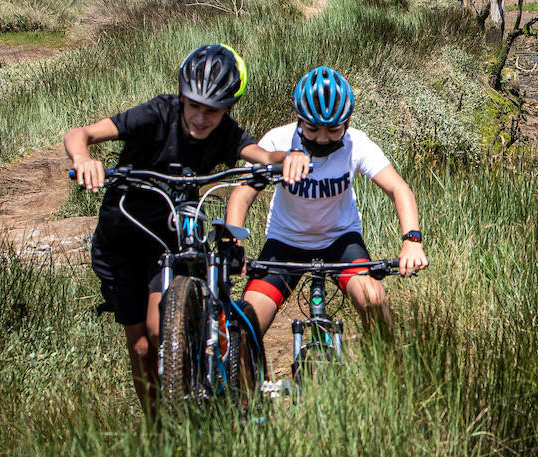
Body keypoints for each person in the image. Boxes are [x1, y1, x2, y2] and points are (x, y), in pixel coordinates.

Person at [65, 44, 309, 416]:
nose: (200, 117)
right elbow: (80, 134)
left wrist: (290, 158)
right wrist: (84, 159)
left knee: (160, 330)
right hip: (121, 239)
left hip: (168, 242)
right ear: (181, 95)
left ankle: (193, 398)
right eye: (193, 105)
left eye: (212, 110)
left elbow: (262, 156)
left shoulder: (225, 133)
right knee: (141, 348)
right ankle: (157, 430)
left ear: (228, 108)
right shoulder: (156, 115)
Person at [226, 65, 426, 340]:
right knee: (245, 326)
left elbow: (398, 188)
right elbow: (242, 194)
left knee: (374, 300)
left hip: (340, 241)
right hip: (285, 242)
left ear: (347, 122)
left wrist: (412, 241)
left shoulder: (357, 144)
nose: (322, 139)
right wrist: (233, 242)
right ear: (298, 119)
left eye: (333, 130)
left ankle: (385, 365)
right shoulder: (277, 141)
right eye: (312, 129)